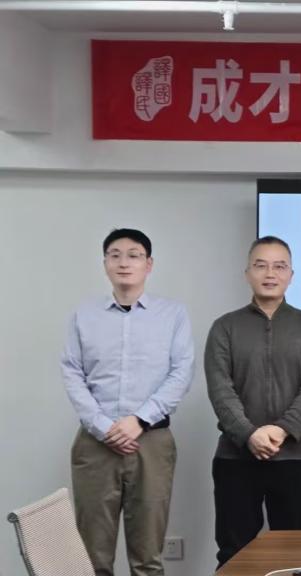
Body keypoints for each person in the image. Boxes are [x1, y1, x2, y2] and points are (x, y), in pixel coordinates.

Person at [61, 228, 194, 576]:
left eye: (134, 255)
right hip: (95, 444)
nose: (124, 263)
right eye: (115, 255)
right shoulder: (84, 315)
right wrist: (104, 427)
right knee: (92, 557)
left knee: (147, 558)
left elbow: (181, 373)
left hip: (152, 441)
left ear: (149, 264)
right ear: (105, 263)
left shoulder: (173, 314)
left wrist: (139, 420)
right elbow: (72, 372)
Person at [205, 236, 301, 567]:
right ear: (247, 273)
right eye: (261, 265)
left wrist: (282, 429)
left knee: (292, 555)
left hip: (294, 458)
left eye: (279, 266)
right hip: (236, 458)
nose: (270, 273)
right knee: (234, 554)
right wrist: (249, 434)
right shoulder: (225, 327)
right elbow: (220, 388)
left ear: (291, 275)